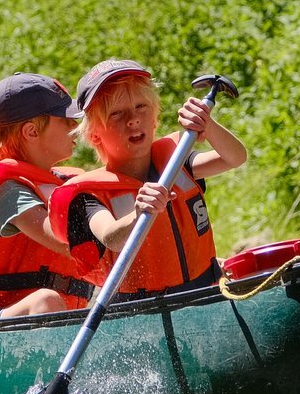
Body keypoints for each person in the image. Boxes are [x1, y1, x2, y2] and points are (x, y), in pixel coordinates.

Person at [48, 59, 247, 299]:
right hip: (144, 308)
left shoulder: (176, 160)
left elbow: (235, 158)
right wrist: (138, 213)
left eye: (141, 106)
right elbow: (111, 237)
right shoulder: (90, 195)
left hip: (204, 290)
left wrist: (208, 125)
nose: (132, 119)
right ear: (94, 135)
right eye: (116, 113)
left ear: (154, 119)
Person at [0, 72, 94, 320]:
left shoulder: (65, 181)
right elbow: (68, 244)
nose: (74, 126)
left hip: (60, 317)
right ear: (31, 132)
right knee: (46, 301)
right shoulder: (6, 192)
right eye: (65, 120)